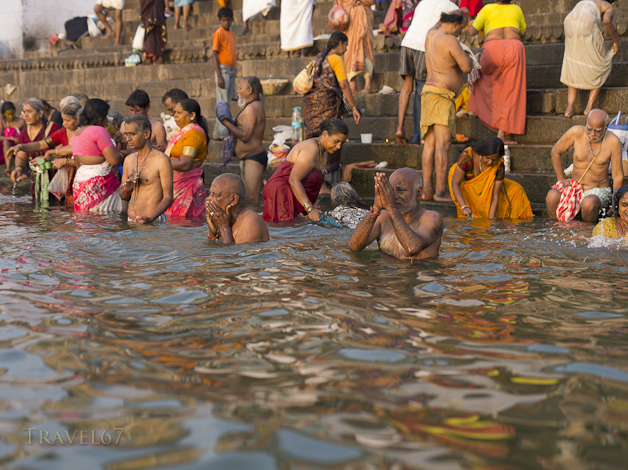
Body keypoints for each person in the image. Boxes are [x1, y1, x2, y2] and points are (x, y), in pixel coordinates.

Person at [422, 11, 472, 202]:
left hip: (428, 92)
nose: (460, 33)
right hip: (442, 95)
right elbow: (466, 66)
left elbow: (438, 23)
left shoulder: (431, 33)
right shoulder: (449, 39)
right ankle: (441, 191)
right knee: (443, 144)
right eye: (461, 27)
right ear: (455, 24)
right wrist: (470, 56)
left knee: (430, 144)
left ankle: (427, 190)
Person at [303, 32, 361, 193]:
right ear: (340, 44)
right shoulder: (336, 58)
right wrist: (353, 107)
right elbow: (343, 85)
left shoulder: (319, 57)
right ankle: (321, 186)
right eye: (346, 45)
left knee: (315, 144)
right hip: (325, 107)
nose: (346, 48)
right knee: (328, 144)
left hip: (310, 107)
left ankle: (315, 183)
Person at [396, 0, 460, 145]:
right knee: (422, 90)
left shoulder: (424, 1)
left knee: (406, 88)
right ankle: (422, 136)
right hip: (424, 47)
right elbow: (453, 37)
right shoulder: (453, 8)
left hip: (408, 43)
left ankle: (400, 128)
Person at [263, 118, 349, 223]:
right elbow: (294, 180)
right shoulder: (311, 148)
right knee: (285, 233)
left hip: (295, 194)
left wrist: (314, 204)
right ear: (325, 134)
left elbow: (309, 181)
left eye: (342, 143)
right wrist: (310, 208)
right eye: (336, 141)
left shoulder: (324, 152)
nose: (339, 147)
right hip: (282, 192)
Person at [546, 109, 623, 223]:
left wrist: (615, 203)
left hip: (598, 190)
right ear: (586, 122)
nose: (592, 134)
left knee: (589, 203)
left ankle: (587, 233)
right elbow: (555, 151)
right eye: (589, 129)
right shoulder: (576, 132)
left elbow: (617, 175)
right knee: (552, 196)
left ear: (605, 127)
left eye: (597, 131)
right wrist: (561, 178)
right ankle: (557, 230)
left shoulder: (613, 141)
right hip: (575, 187)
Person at [348, 169, 444, 259]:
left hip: (418, 273)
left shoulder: (432, 218)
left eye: (400, 190)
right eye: (390, 190)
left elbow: (413, 247)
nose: (393, 196)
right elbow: (354, 247)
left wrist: (391, 207)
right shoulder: (382, 217)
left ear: (419, 193)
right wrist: (375, 209)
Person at [468, 1, 527, 144]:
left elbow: (471, 31)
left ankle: (481, 110)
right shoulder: (517, 9)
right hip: (514, 48)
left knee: (480, 73)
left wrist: (473, 22)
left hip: (492, 50)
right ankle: (501, 134)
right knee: (511, 91)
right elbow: (523, 33)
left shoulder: (487, 9)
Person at [7, 103, 82, 206]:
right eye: (63, 120)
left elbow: (77, 151)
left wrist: (53, 155)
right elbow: (40, 144)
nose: (64, 124)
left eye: (67, 121)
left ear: (78, 119)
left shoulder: (84, 133)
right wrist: (20, 147)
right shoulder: (62, 132)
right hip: (67, 180)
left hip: (83, 178)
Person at [449, 137, 533, 219]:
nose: (490, 162)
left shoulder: (499, 165)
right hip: (461, 184)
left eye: (494, 160)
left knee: (517, 190)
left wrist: (491, 221)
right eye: (488, 158)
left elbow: (495, 196)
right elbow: (455, 183)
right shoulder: (468, 154)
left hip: (487, 191)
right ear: (483, 152)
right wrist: (463, 206)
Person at [561, 0, 618, 118]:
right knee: (599, 64)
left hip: (569, 22)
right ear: (612, 2)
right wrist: (615, 41)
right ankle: (588, 107)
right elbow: (607, 21)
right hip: (587, 23)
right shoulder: (607, 6)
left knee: (573, 64)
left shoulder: (586, 1)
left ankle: (569, 108)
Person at [219, 76, 266, 206]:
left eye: (240, 88)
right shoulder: (252, 105)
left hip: (253, 157)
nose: (238, 91)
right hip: (248, 158)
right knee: (245, 200)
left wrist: (226, 123)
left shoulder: (251, 108)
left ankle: (255, 225)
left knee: (251, 200)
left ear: (249, 90)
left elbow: (245, 136)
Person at [71, 99, 124, 212]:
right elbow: (114, 159)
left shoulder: (76, 133)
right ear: (99, 117)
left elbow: (78, 163)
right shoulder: (99, 130)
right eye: (105, 116)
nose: (106, 120)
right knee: (105, 222)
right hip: (100, 184)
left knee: (86, 223)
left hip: (81, 184)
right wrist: (124, 154)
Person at [120, 115, 173, 224]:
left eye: (132, 134)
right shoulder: (128, 160)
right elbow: (122, 195)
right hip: (131, 221)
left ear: (146, 134)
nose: (128, 139)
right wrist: (127, 189)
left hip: (153, 221)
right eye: (126, 134)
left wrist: (150, 218)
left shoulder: (161, 160)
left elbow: (168, 197)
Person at [9, 99, 61, 198]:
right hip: (36, 181)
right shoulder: (24, 133)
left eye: (29, 111)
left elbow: (61, 152)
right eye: (24, 112)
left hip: (55, 180)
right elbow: (21, 156)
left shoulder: (54, 128)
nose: (25, 115)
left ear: (40, 112)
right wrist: (18, 169)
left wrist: (45, 160)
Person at [164, 98, 208, 218]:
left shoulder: (194, 133)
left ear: (192, 115)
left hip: (186, 187)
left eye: (179, 112)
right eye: (174, 112)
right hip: (175, 186)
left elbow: (185, 164)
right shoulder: (184, 132)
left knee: (183, 224)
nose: (174, 115)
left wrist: (159, 160)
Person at [206, 174, 270, 244]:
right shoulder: (225, 219)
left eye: (214, 195)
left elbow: (233, 253)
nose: (208, 199)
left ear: (234, 199)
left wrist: (223, 228)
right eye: (210, 194)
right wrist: (213, 234)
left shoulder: (251, 220)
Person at [212, 7, 236, 140]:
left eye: (228, 20)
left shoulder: (232, 34)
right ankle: (220, 133)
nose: (226, 23)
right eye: (224, 20)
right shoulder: (218, 33)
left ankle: (219, 132)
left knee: (227, 102)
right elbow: (214, 55)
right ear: (220, 20)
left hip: (232, 70)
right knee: (223, 103)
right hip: (223, 70)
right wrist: (219, 76)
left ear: (232, 20)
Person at [342, 0, 376, 95]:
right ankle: (352, 85)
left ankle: (368, 85)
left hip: (363, 16)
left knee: (365, 50)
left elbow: (372, 1)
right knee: (349, 50)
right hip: (348, 17)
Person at [141, 0, 170, 65]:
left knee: (158, 27)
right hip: (146, 5)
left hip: (157, 4)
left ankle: (160, 57)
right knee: (148, 30)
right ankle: (149, 58)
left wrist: (167, 7)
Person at [0, 101, 25, 174]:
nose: (11, 116)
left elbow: (26, 136)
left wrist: (19, 140)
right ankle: (8, 168)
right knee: (6, 143)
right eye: (8, 114)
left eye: (12, 113)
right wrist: (11, 138)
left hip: (18, 144)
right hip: (5, 146)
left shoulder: (21, 121)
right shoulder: (2, 120)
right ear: (4, 114)